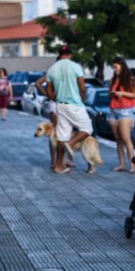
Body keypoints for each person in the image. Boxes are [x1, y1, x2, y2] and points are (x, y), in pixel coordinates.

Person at [46, 45, 93, 174]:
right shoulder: (75, 66)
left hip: (60, 105)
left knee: (61, 136)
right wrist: (81, 100)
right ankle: (71, 143)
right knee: (87, 128)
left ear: (59, 54)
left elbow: (48, 89)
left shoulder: (51, 69)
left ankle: (58, 166)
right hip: (75, 104)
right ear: (70, 55)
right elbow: (82, 87)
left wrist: (53, 98)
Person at [108, 57, 135, 173]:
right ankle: (121, 164)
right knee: (118, 139)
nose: (115, 70)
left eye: (116, 67)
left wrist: (122, 93)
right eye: (113, 68)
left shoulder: (129, 79)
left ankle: (132, 166)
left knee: (126, 138)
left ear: (122, 66)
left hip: (125, 111)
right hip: (113, 110)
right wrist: (112, 94)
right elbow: (108, 95)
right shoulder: (113, 80)